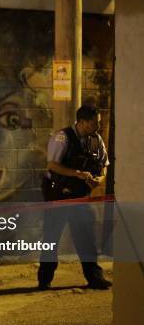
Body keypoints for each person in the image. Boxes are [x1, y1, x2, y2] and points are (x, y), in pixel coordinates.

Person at [38, 104, 112, 290]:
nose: (98, 125)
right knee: (51, 237)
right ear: (83, 122)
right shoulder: (62, 137)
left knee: (87, 236)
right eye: (95, 122)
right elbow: (53, 166)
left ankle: (94, 278)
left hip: (81, 195)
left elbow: (104, 165)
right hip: (58, 193)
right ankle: (44, 279)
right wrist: (78, 173)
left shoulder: (96, 140)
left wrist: (98, 180)